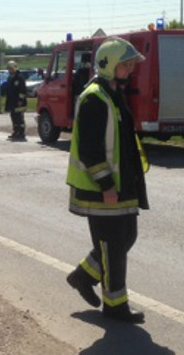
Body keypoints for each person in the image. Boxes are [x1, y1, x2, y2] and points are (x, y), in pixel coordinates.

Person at [65, 37, 150, 324]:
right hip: (101, 190)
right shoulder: (94, 98)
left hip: (121, 184)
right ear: (111, 66)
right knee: (112, 247)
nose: (131, 69)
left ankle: (82, 276)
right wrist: (106, 186)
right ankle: (116, 306)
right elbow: (90, 150)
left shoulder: (112, 93)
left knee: (126, 237)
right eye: (126, 65)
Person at [4, 61, 27, 141]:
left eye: (11, 68)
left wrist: (20, 100)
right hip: (12, 102)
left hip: (19, 102)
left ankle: (21, 133)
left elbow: (23, 90)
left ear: (15, 68)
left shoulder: (20, 77)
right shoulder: (10, 77)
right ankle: (16, 132)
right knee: (13, 116)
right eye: (8, 69)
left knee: (19, 117)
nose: (9, 70)